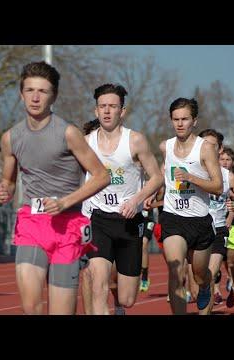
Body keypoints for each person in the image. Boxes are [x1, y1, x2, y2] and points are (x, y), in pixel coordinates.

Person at [0, 62, 110, 315]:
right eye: (30, 90)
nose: (35, 97)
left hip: (67, 227)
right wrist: (4, 189)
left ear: (53, 95)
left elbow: (102, 176)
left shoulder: (68, 133)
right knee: (31, 305)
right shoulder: (10, 138)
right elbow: (9, 182)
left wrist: (66, 202)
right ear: (21, 93)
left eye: (43, 91)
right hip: (32, 223)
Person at [84, 83, 164, 315]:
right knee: (98, 279)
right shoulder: (86, 142)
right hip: (99, 219)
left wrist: (136, 200)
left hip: (130, 222)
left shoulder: (135, 140)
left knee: (128, 297)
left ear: (123, 111)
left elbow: (157, 178)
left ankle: (120, 307)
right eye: (102, 106)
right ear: (95, 111)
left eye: (113, 106)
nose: (107, 111)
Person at [159, 97, 223, 315]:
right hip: (173, 217)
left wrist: (191, 178)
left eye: (184, 119)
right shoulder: (165, 147)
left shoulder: (205, 149)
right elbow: (162, 176)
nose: (179, 123)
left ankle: (206, 284)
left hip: (199, 221)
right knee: (176, 270)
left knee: (199, 274)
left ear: (194, 121)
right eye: (175, 119)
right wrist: (144, 196)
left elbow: (218, 186)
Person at [198, 131, 234, 314]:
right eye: (204, 143)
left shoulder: (229, 177)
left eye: (212, 145)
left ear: (219, 149)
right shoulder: (193, 171)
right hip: (195, 229)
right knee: (198, 278)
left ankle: (232, 286)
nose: (207, 148)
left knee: (212, 275)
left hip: (220, 230)